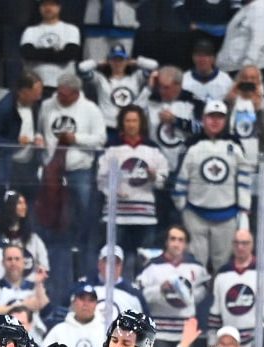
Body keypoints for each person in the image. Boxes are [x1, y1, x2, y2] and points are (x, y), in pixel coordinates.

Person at [39, 73, 106, 279]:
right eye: (59, 93)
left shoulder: (91, 109)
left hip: (80, 170)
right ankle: (51, 252)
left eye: (65, 95)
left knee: (84, 212)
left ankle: (82, 249)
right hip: (52, 170)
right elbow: (41, 130)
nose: (61, 97)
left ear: (76, 93)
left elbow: (100, 139)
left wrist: (75, 138)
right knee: (50, 213)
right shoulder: (47, 106)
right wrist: (38, 139)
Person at [173, 99, 250, 272]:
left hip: (227, 213)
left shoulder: (235, 144)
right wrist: (182, 206)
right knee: (196, 261)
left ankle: (219, 288)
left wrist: (244, 206)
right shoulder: (191, 144)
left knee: (222, 262)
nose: (215, 121)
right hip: (195, 213)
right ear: (203, 118)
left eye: (219, 117)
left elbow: (244, 176)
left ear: (225, 120)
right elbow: (182, 175)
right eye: (211, 116)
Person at [96, 105, 170, 258]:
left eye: (135, 121)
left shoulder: (152, 148)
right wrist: (112, 190)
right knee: (114, 259)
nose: (131, 124)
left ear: (141, 123)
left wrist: (154, 177)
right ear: (122, 123)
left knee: (144, 260)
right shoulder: (112, 147)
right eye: (128, 121)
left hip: (145, 216)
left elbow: (163, 180)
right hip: (116, 215)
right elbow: (100, 179)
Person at [136, 223, 209, 347]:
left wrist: (187, 295)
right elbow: (141, 295)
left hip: (185, 334)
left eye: (181, 240)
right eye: (173, 239)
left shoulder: (196, 267)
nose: (176, 244)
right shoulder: (152, 266)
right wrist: (160, 289)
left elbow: (203, 292)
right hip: (160, 333)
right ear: (166, 241)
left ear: (186, 244)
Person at [208, 229, 264, 347]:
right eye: (237, 243)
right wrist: (212, 340)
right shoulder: (222, 274)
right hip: (228, 344)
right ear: (232, 245)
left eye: (244, 243)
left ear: (252, 244)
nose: (240, 247)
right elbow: (216, 311)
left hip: (258, 344)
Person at [0, 73, 44, 196]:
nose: (38, 97)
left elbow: (34, 127)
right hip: (8, 166)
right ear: (23, 92)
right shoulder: (4, 109)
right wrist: (15, 143)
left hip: (29, 164)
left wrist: (37, 137)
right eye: (35, 93)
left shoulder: (35, 105)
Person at [77, 45, 158, 136]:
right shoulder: (101, 79)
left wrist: (135, 61)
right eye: (114, 60)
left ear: (127, 61)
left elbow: (154, 65)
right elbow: (82, 68)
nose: (118, 63)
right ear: (109, 61)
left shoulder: (136, 78)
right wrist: (99, 62)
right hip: (108, 126)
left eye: (121, 60)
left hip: (130, 126)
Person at [20, 0, 81, 94]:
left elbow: (68, 55)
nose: (48, 8)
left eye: (52, 4)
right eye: (44, 5)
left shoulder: (71, 29)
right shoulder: (30, 31)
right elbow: (27, 53)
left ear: (59, 7)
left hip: (64, 87)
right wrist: (55, 52)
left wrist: (39, 53)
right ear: (40, 8)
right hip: (35, 87)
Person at [225, 64, 264, 166]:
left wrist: (258, 110)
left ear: (259, 82)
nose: (248, 81)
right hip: (232, 159)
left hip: (260, 161)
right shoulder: (229, 104)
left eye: (253, 78)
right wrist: (229, 105)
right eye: (244, 78)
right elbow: (222, 131)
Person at [42, 279, 106, 347]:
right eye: (82, 299)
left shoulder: (105, 331)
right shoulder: (59, 330)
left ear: (96, 304)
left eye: (91, 300)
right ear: (73, 302)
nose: (86, 304)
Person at [0, 190, 50, 279]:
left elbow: (43, 266)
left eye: (24, 203)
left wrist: (31, 281)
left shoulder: (33, 239)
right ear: (10, 206)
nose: (24, 207)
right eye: (19, 203)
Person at [216, 0, 264, 73]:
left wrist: (248, 64)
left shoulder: (260, 8)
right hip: (232, 67)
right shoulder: (246, 8)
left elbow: (259, 40)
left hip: (248, 70)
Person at [93, 244, 146, 317]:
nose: (112, 266)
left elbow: (144, 320)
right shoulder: (86, 286)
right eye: (108, 261)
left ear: (121, 266)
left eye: (116, 263)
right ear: (99, 264)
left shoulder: (134, 292)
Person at [181, 39, 232, 107]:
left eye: (206, 55)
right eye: (199, 55)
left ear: (213, 58)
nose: (202, 59)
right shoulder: (184, 79)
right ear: (193, 57)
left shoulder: (225, 79)